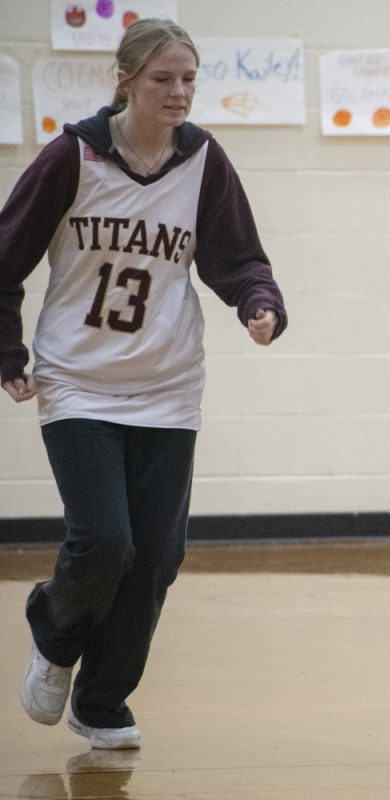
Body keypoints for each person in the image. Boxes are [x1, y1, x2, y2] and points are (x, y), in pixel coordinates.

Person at [1, 19, 286, 750]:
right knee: (105, 542)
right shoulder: (74, 156)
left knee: (156, 556)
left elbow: (239, 255)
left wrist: (259, 302)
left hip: (167, 387)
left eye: (189, 78)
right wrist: (8, 351)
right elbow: (6, 258)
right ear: (125, 78)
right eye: (164, 78)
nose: (180, 92)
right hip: (78, 381)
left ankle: (101, 702)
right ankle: (54, 633)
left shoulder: (202, 161)